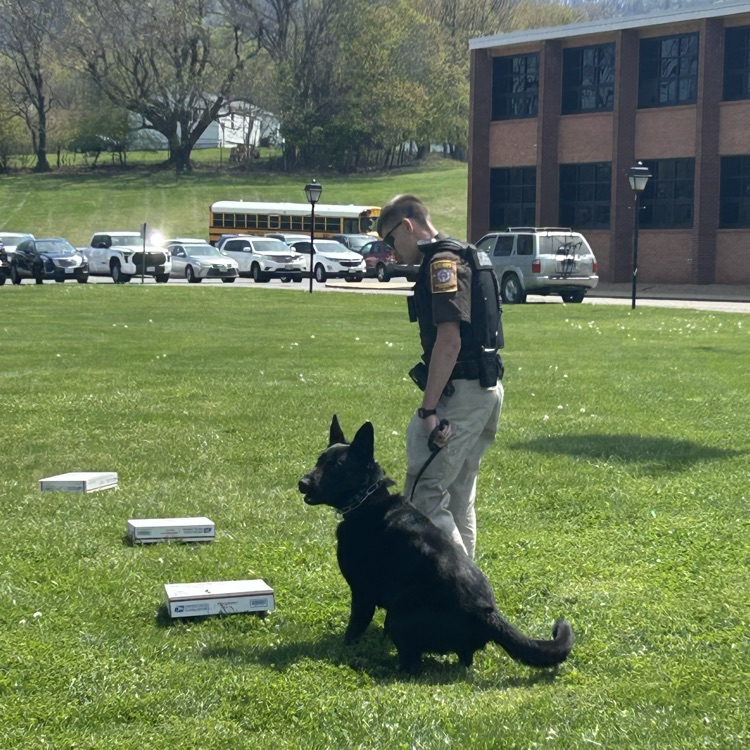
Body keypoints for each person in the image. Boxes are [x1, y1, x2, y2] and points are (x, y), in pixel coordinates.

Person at [377, 195, 504, 559]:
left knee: (425, 493)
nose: (392, 252)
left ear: (407, 226)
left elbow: (449, 341)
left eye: (390, 240)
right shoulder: (466, 253)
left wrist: (428, 410)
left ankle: (462, 593)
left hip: (461, 393)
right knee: (459, 496)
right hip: (485, 387)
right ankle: (470, 597)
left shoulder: (441, 264)